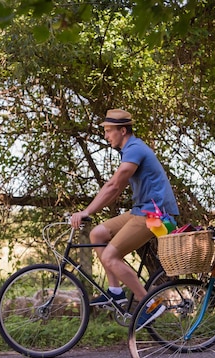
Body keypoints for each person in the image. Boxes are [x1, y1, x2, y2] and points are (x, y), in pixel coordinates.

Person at [70, 108, 179, 329]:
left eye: (109, 131)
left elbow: (114, 185)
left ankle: (149, 304)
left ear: (123, 130)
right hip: (142, 210)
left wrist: (86, 212)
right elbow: (114, 189)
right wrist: (90, 211)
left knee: (110, 256)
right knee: (98, 234)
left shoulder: (135, 149)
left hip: (156, 214)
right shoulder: (129, 150)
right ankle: (116, 292)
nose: (106, 135)